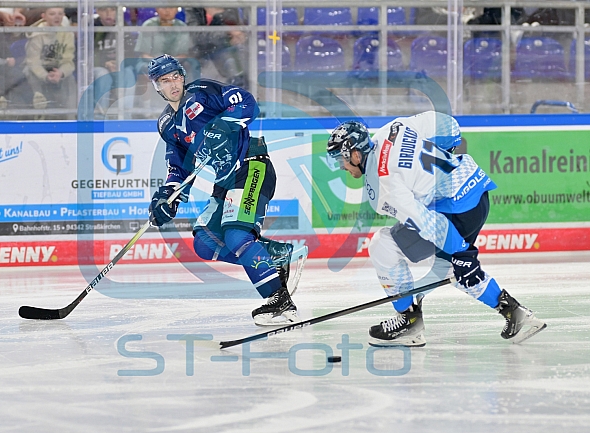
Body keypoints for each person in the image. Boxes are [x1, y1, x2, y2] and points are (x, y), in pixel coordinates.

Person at [326, 111, 546, 347]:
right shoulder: (392, 128)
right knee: (453, 269)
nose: (341, 166)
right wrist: (444, 159)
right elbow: (447, 125)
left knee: (383, 246)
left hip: (455, 209)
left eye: (341, 159)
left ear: (356, 155)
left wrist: (462, 251)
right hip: (476, 190)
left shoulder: (383, 188)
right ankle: (516, 313)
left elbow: (426, 222)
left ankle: (408, 320)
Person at [147, 54, 306, 325]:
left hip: (251, 165)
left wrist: (223, 124)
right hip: (225, 181)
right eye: (165, 80)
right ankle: (276, 255)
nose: (173, 84)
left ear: (183, 76)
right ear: (157, 87)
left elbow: (247, 103)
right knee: (205, 242)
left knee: (236, 236)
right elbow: (178, 166)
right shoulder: (167, 126)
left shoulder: (203, 93)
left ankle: (279, 299)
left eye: (175, 76)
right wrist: (167, 196)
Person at [23, 7, 76, 119]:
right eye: (52, 14)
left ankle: (71, 117)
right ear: (44, 16)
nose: (57, 17)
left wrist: (61, 73)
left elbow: (68, 61)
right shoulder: (36, 34)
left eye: (60, 14)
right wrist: (45, 76)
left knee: (69, 78)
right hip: (38, 69)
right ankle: (38, 112)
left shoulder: (67, 34)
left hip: (57, 69)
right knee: (28, 72)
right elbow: (33, 62)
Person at [93, 6, 137, 118]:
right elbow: (89, 54)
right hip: (98, 66)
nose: (108, 14)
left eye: (112, 10)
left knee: (129, 74)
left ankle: (126, 115)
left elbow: (130, 53)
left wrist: (119, 63)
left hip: (120, 64)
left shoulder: (123, 26)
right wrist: (105, 63)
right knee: (104, 76)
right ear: (98, 11)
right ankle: (100, 116)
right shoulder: (93, 27)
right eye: (104, 10)